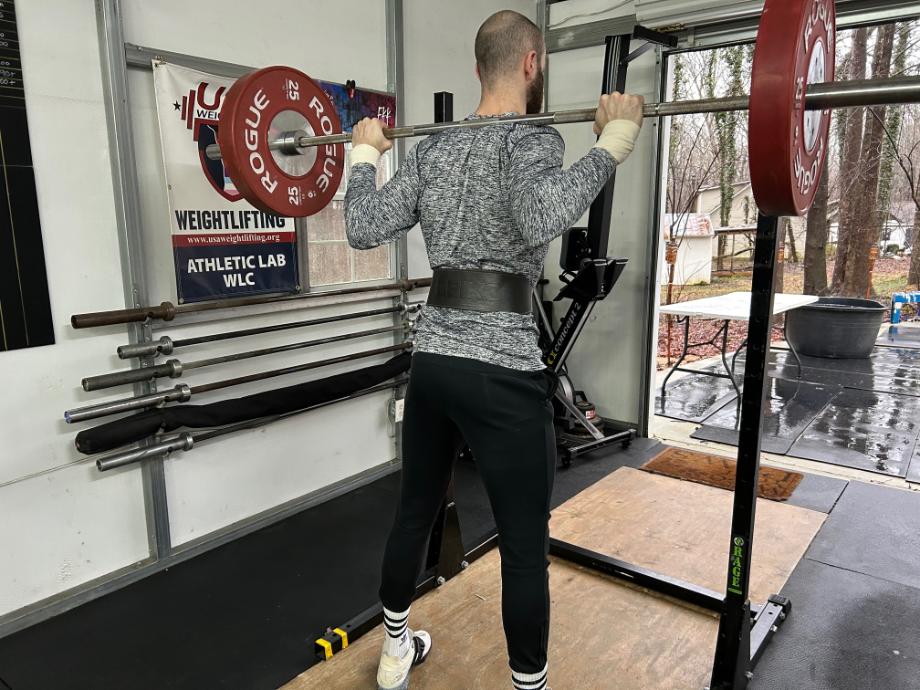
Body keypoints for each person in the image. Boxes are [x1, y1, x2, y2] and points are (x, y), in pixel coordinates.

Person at [344, 9, 644, 690]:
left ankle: (395, 652)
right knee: (522, 546)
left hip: (434, 364)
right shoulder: (530, 140)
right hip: (501, 370)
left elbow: (363, 226)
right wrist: (614, 139)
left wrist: (364, 155)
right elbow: (542, 216)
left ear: (479, 68)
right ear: (532, 64)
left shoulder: (431, 149)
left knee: (414, 510)